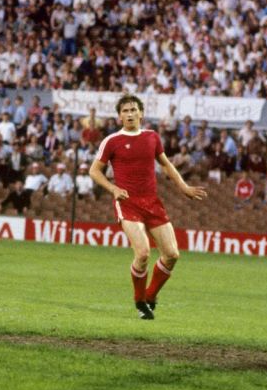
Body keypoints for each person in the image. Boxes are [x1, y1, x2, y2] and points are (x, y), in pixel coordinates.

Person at [88, 94, 207, 320]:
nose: (130, 114)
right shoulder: (112, 141)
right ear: (119, 116)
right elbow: (94, 171)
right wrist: (113, 189)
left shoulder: (152, 137)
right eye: (125, 111)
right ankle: (139, 300)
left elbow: (166, 164)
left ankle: (150, 296)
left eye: (133, 110)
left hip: (152, 202)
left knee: (172, 254)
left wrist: (183, 186)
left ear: (141, 113)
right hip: (127, 203)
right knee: (142, 253)